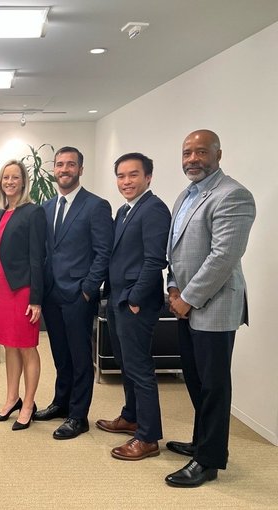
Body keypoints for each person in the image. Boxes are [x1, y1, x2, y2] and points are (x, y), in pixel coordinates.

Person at [164, 130, 255, 488]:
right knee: (195, 378)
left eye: (201, 152)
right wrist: (173, 288)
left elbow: (223, 256)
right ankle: (200, 442)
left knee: (214, 386)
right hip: (185, 303)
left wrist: (187, 298)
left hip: (214, 306)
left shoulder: (233, 194)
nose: (192, 159)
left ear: (218, 154)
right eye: (187, 152)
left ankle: (209, 460)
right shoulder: (186, 195)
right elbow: (175, 250)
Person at [95, 153, 171, 460]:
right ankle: (131, 417)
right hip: (118, 298)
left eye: (133, 175)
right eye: (121, 176)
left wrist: (135, 299)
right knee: (126, 364)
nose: (126, 181)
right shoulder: (125, 211)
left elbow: (155, 260)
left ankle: (148, 437)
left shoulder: (154, 209)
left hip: (135, 302)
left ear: (148, 177)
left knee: (139, 369)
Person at [34, 146, 113, 439]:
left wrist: (88, 289)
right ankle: (61, 403)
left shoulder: (96, 206)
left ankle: (78, 416)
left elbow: (103, 252)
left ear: (80, 169)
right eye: (59, 164)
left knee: (80, 358)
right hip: (52, 294)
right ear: (54, 169)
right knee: (60, 355)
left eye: (70, 164)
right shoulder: (46, 207)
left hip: (79, 295)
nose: (64, 169)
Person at [0, 160, 46, 431]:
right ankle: (12, 399)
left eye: (15, 177)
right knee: (8, 345)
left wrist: (36, 298)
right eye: (5, 178)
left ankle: (28, 404)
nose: (9, 182)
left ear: (23, 182)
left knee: (26, 346)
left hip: (22, 289)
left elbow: (37, 257)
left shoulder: (33, 212)